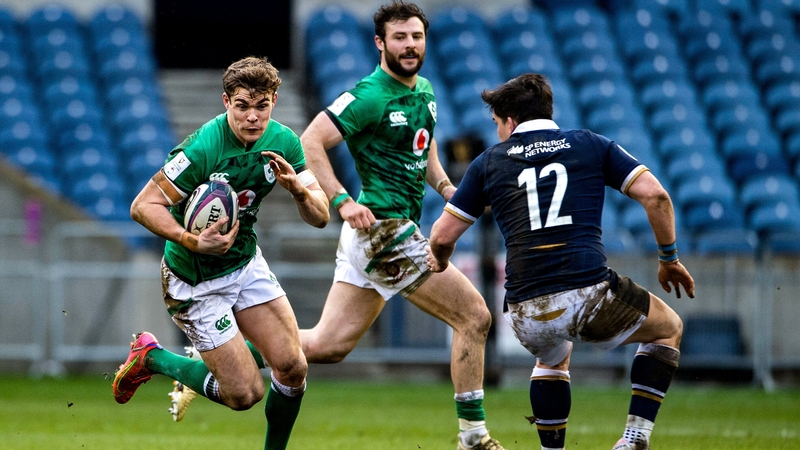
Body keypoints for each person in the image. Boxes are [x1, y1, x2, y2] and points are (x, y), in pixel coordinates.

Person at [426, 73, 695, 450]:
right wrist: (668, 259)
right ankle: (634, 439)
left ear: (510, 121)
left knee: (552, 359)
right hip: (588, 293)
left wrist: (439, 261)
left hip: (524, 310)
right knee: (668, 329)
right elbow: (657, 197)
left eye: (496, 124)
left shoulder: (490, 162)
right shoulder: (590, 144)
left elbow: (440, 236)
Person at [295, 2, 504, 449]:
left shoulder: (424, 90)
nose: (410, 46)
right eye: (400, 38)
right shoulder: (369, 95)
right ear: (380, 43)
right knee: (475, 315)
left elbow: (422, 147)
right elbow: (310, 139)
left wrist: (448, 188)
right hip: (382, 233)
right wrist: (341, 200)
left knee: (326, 345)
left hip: (382, 233)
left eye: (416, 37)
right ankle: (474, 436)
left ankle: (216, 353)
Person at [112, 55, 330, 450]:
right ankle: (152, 357)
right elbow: (142, 206)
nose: (252, 117)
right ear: (226, 101)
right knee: (245, 394)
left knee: (294, 366)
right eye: (243, 106)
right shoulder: (201, 149)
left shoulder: (284, 142)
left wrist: (298, 189)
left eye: (261, 106)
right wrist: (193, 240)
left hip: (244, 265)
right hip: (194, 281)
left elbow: (321, 216)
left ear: (275, 101)